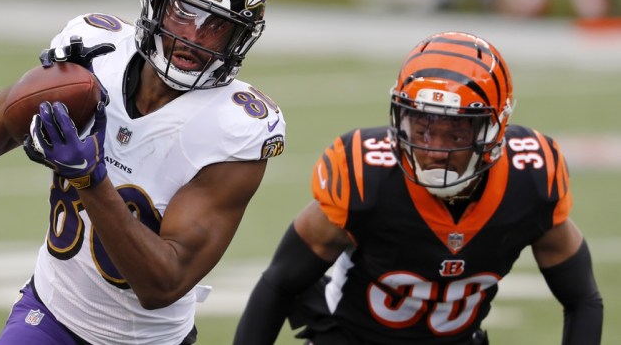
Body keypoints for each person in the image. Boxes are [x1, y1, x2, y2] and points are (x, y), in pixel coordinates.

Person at [0, 0, 284, 344]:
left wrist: (90, 177)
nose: (194, 36)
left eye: (217, 26)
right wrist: (32, 94)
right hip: (49, 314)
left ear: (239, 38)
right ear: (156, 4)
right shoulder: (96, 51)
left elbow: (162, 283)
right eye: (183, 13)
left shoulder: (235, 129)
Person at [234, 31, 603, 344]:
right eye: (423, 128)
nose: (435, 150)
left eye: (456, 131)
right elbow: (279, 283)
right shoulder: (367, 179)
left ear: (494, 129)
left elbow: (583, 297)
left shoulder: (532, 180)